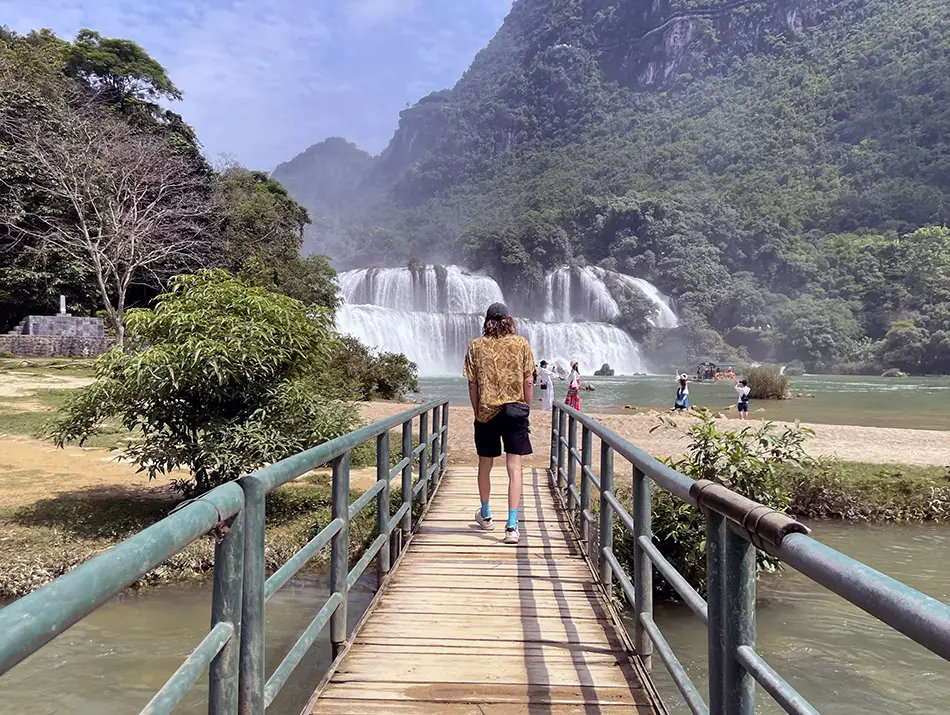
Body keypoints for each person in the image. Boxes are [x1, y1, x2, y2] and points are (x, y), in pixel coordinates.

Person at [463, 302, 535, 545]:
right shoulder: (521, 343)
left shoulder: (476, 345)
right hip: (516, 411)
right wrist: (527, 407)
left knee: (485, 464)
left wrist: (477, 410)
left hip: (486, 412)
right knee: (514, 467)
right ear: (508, 319)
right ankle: (512, 526)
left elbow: (472, 384)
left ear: (487, 320)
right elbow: (528, 380)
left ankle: (486, 515)